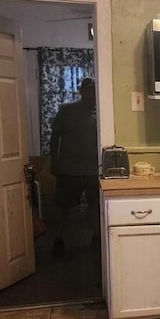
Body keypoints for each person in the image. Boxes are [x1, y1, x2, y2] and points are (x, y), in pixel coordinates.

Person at [49, 77, 99, 256]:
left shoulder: (102, 111)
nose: (90, 94)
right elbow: (54, 137)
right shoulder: (66, 110)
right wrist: (53, 161)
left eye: (93, 90)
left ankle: (97, 238)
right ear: (81, 91)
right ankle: (58, 239)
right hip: (69, 169)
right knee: (64, 206)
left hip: (94, 169)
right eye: (87, 90)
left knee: (96, 205)